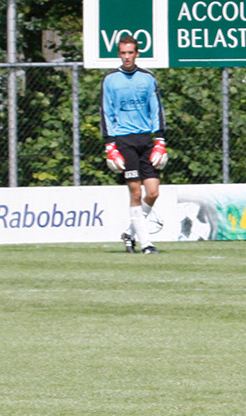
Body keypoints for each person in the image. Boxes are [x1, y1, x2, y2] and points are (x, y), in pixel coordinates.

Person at [101, 35, 167, 255]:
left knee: (153, 192)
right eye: (123, 53)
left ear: (137, 53)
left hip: (146, 140)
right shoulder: (110, 79)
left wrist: (160, 140)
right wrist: (110, 145)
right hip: (123, 140)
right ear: (119, 54)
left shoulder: (147, 78)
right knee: (136, 193)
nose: (127, 57)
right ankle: (146, 243)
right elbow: (106, 111)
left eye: (130, 53)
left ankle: (129, 233)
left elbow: (156, 109)